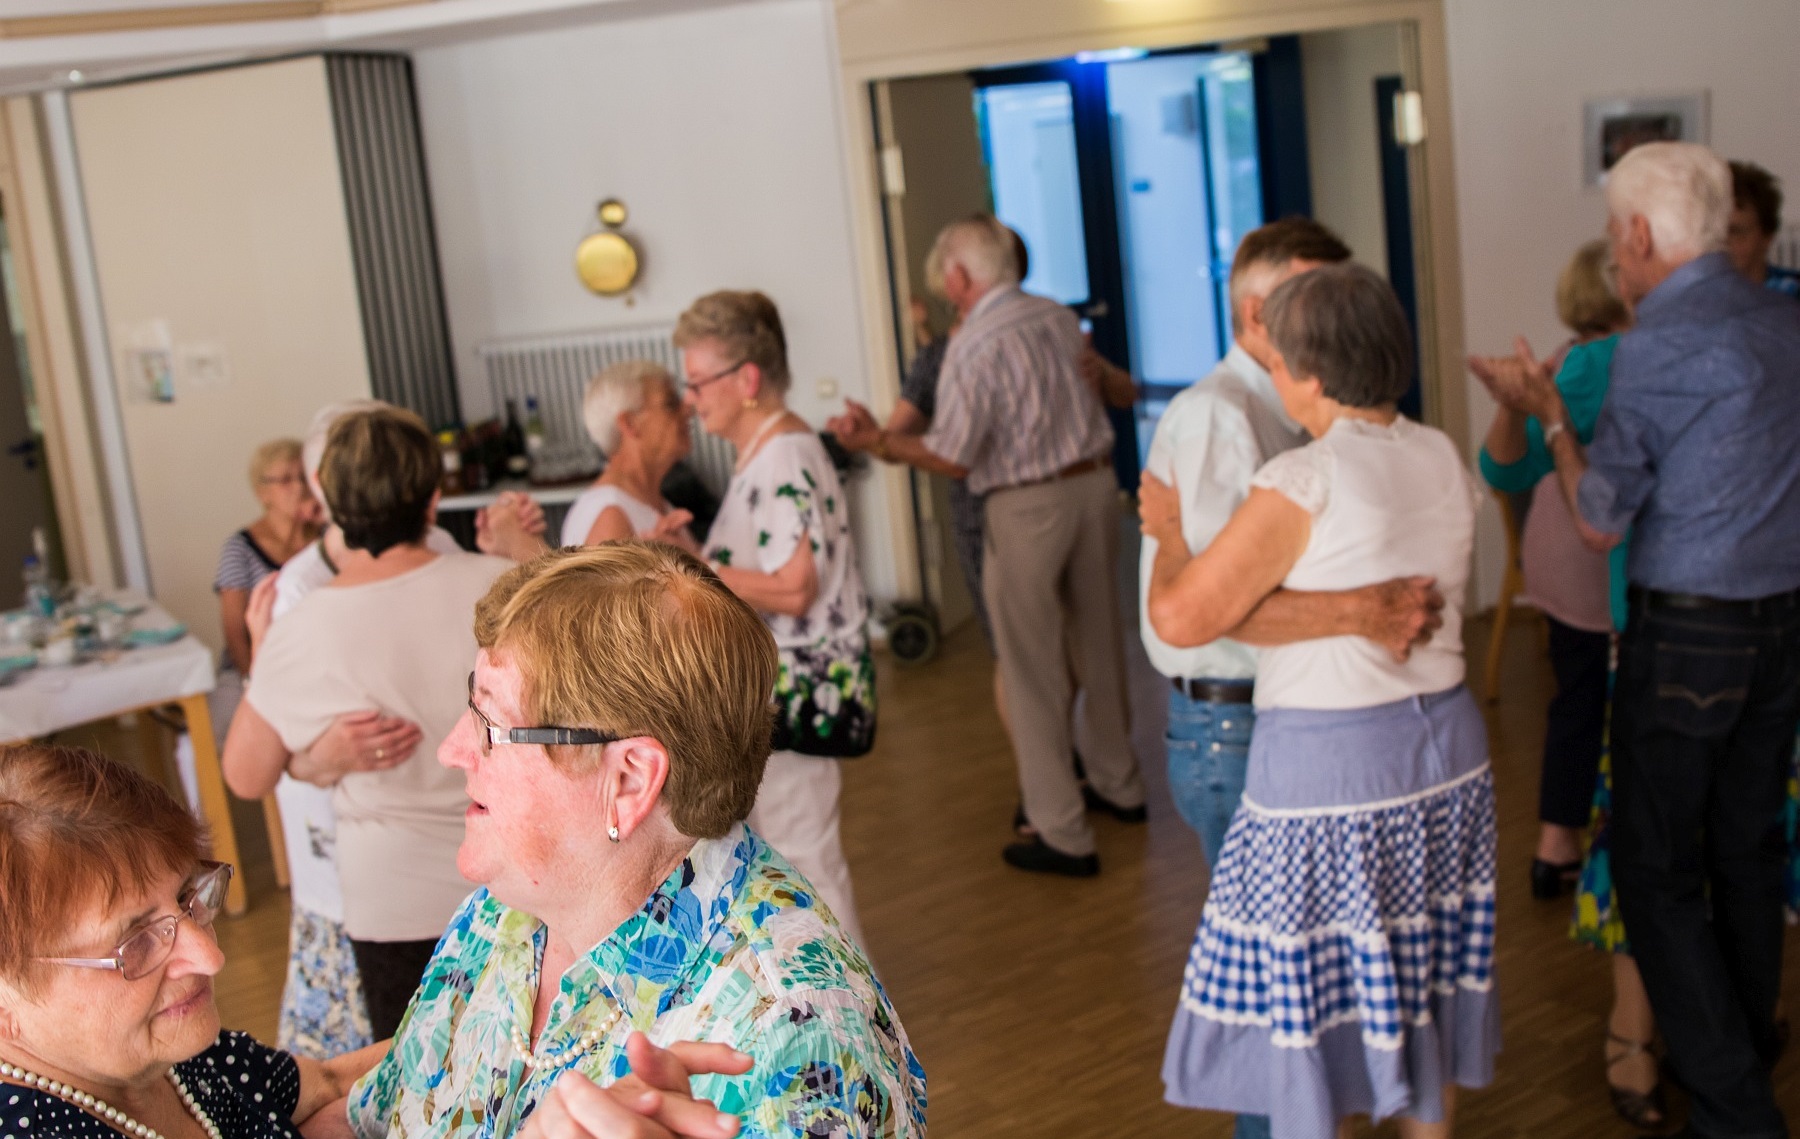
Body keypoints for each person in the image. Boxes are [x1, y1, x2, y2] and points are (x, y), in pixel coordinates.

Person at [347, 543, 926, 1139]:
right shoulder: (507, 912)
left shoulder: (791, 1042)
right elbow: (378, 1118)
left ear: (628, 781)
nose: (452, 750)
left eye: (490, 724)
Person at [1477, 140, 1800, 1139]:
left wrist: (1551, 418)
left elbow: (1599, 517)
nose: (1617, 255)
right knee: (1746, 851)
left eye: (1619, 235)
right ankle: (1739, 1069)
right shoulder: (1785, 318)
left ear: (1644, 235)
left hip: (1691, 636)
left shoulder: (1658, 344)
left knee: (1656, 871)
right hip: (1782, 628)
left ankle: (1737, 1109)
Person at [0, 743, 774, 1139]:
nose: (210, 955)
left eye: (189, 900)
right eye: (135, 945)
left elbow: (327, 1083)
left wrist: (549, 1046)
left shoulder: (176, 1061)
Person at [1149, 264, 1497, 1138]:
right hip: (1447, 754)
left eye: (1277, 361)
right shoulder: (1439, 452)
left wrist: (1168, 533)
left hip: (1333, 768)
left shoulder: (1305, 477)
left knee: (1312, 1002)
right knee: (1419, 985)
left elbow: (1182, 616)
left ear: (1307, 374)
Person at [831, 213, 1144, 878]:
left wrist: (878, 442)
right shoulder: (1058, 317)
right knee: (1099, 645)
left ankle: (1063, 830)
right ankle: (1121, 785)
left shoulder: (975, 344)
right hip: (1095, 489)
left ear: (958, 277)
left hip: (1028, 507)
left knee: (1029, 669)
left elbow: (953, 455)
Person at [247, 399, 547, 1060]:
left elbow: (245, 774)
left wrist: (305, 748)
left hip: (393, 898)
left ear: (328, 502)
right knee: (528, 1061)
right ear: (434, 497)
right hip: (518, 868)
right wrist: (524, 551)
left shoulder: (303, 624)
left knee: (418, 1074)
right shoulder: (501, 583)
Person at [674, 290, 875, 946]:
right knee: (793, 858)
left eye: (698, 381)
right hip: (777, 691)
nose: (691, 399)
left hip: (793, 694)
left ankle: (850, 1004)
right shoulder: (769, 450)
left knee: (806, 862)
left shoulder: (785, 454)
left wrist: (692, 567)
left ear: (747, 379)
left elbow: (794, 588)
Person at [1481, 239, 1630, 903]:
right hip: (1588, 560)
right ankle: (1574, 847)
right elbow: (1504, 466)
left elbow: (1501, 469)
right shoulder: (1601, 361)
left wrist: (1515, 404)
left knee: (1576, 698)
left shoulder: (1570, 358)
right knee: (1597, 704)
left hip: (1553, 553)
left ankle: (1556, 845)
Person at [213, 438, 319, 677]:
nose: (299, 487)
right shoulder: (240, 548)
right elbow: (235, 633)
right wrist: (254, 681)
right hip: (258, 666)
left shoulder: (328, 539)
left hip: (315, 662)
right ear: (262, 493)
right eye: (286, 480)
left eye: (304, 477)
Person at [563, 361, 698, 547]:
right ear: (630, 424)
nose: (688, 410)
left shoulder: (650, 501)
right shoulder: (610, 515)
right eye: (671, 404)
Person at [1725, 159, 1800, 297]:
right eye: (1712, 233)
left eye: (1735, 232)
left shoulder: (1791, 295)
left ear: (1767, 236)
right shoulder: (1690, 299)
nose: (1721, 244)